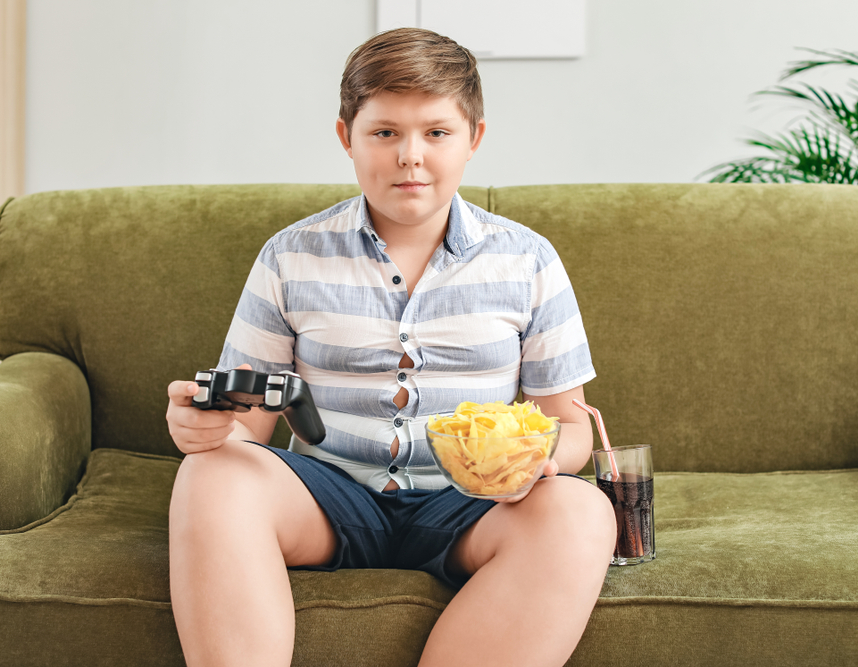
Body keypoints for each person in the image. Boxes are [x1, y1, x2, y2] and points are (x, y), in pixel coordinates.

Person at [166, 27, 617, 667]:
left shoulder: (528, 261)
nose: (411, 156)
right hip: (327, 496)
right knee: (209, 477)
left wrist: (538, 461)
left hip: (474, 507)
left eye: (436, 133)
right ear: (347, 136)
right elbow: (249, 429)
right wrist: (206, 430)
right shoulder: (289, 256)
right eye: (385, 132)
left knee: (580, 510)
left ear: (473, 140)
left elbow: (570, 423)